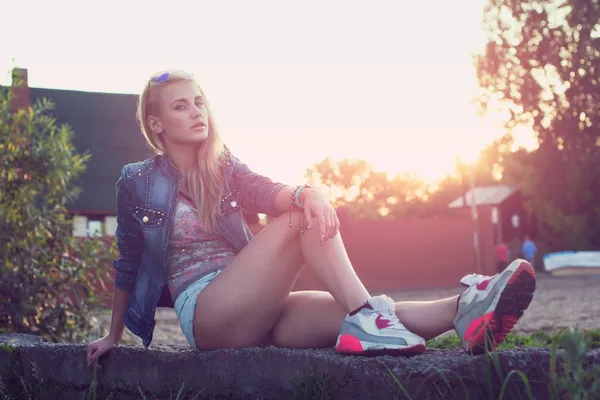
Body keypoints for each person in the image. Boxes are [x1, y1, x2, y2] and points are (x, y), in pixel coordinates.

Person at [86, 70, 537, 366]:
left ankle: (466, 312)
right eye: (181, 106)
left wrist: (308, 190)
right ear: (157, 122)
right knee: (304, 220)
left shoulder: (221, 165)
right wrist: (113, 336)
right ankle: (368, 319)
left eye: (199, 102)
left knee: (353, 309)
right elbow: (127, 262)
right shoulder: (137, 180)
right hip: (208, 314)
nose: (196, 112)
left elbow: (262, 189)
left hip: (255, 306)